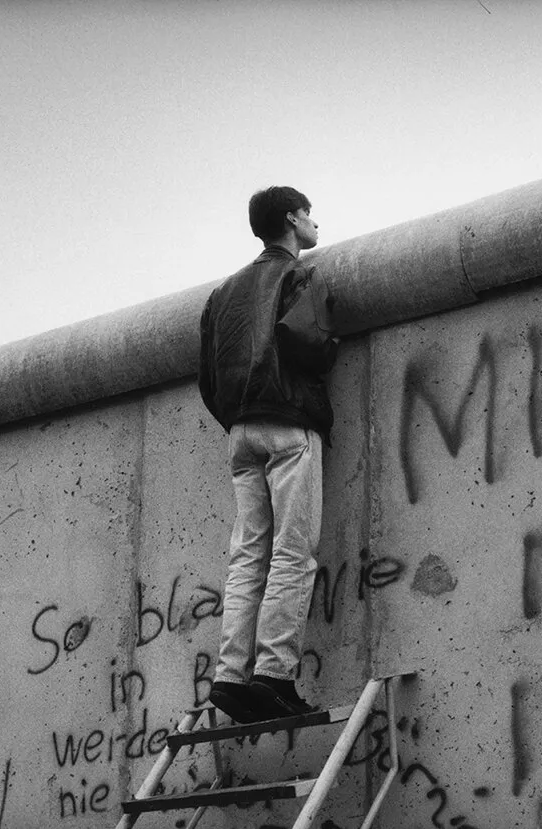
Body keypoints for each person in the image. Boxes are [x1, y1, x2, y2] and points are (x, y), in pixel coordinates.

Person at [198, 186, 338, 722]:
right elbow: (314, 346)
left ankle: (230, 677)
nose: (314, 221)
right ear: (290, 219)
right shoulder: (297, 276)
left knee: (247, 556)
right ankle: (274, 676)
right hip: (288, 424)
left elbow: (208, 378)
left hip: (241, 433)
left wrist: (238, 413)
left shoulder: (223, 294)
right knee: (292, 552)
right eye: (308, 212)